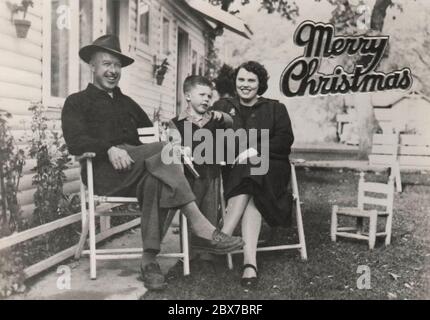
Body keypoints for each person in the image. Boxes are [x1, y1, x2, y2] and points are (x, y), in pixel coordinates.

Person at [61, 35, 244, 291]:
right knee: (165, 154)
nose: (113, 71)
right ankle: (201, 224)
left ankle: (149, 263)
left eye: (117, 65)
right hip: (104, 173)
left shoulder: (127, 103)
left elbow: (154, 133)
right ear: (92, 65)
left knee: (156, 179)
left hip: (138, 171)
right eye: (106, 64)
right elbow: (75, 140)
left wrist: (171, 132)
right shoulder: (76, 102)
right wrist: (109, 148)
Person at [212, 61, 295, 289]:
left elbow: (285, 140)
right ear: (235, 82)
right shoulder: (222, 106)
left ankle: (224, 233)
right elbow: (209, 137)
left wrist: (256, 149)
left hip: (271, 171)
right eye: (241, 79)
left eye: (251, 80)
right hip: (237, 173)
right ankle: (250, 264)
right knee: (251, 186)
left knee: (254, 166)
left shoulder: (276, 108)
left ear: (260, 84)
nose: (245, 85)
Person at [168, 75, 233, 262]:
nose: (206, 99)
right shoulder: (176, 122)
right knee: (191, 213)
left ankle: (207, 254)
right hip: (188, 176)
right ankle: (188, 254)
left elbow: (231, 122)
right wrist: (180, 149)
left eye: (209, 96)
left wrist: (223, 116)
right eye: (202, 94)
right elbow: (173, 147)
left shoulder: (214, 119)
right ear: (188, 96)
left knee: (211, 210)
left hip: (212, 173)